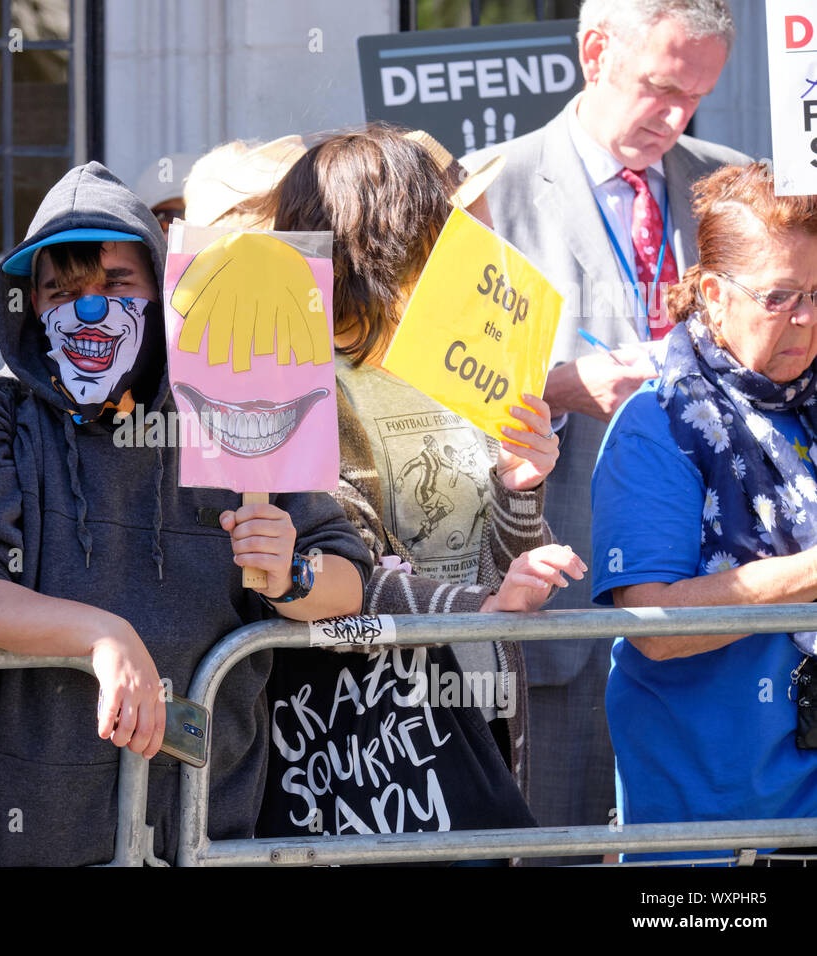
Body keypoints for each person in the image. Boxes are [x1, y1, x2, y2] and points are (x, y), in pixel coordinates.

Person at [0, 160, 373, 866]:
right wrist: (102, 635)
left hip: (211, 833)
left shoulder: (234, 412)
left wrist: (292, 575)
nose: (88, 308)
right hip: (28, 841)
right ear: (29, 305)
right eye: (61, 289)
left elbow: (349, 582)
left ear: (160, 292)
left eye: (116, 284)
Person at [254, 124, 583, 842]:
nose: (455, 245)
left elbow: (501, 566)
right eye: (436, 222)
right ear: (382, 240)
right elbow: (337, 574)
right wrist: (488, 603)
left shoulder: (461, 365)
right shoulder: (291, 381)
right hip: (356, 738)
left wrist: (520, 491)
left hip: (478, 706)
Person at [476, 0, 750, 848]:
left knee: (699, 873)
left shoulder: (736, 188)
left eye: (697, 97)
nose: (676, 119)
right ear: (595, 51)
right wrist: (558, 385)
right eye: (662, 88)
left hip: (714, 603)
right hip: (561, 590)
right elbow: (439, 397)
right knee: (553, 844)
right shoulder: (489, 189)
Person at [591, 161, 817, 863]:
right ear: (713, 296)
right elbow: (651, 625)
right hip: (709, 832)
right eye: (781, 297)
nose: (806, 320)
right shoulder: (657, 422)